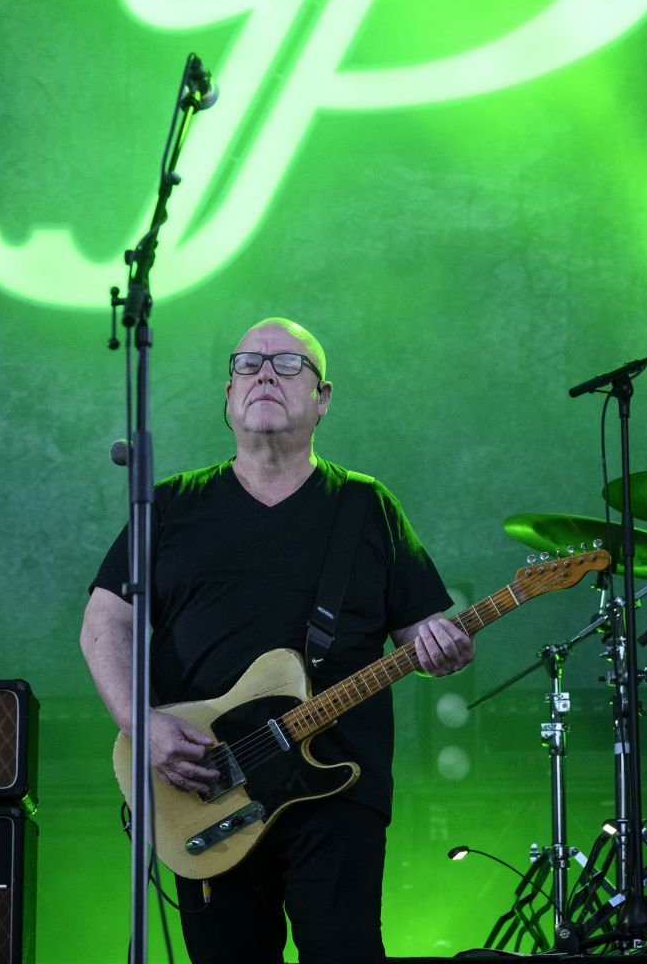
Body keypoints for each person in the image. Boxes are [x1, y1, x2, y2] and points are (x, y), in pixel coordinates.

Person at [80, 317, 473, 963]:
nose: (264, 373)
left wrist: (441, 647)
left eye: (290, 364)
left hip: (337, 785)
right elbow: (104, 624)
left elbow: (421, 634)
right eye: (247, 364)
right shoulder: (170, 505)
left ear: (323, 398)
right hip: (206, 785)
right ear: (227, 395)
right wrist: (140, 723)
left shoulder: (366, 506)